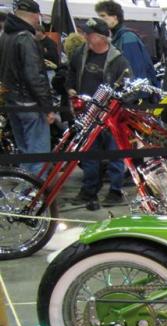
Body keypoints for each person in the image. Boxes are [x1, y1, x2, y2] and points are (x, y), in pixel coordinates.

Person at [66, 18, 131, 210]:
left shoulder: (119, 60)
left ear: (101, 37)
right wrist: (70, 88)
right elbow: (70, 73)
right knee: (88, 156)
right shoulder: (81, 54)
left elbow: (128, 87)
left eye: (89, 34)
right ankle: (89, 190)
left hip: (111, 117)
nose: (85, 36)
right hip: (87, 115)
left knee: (114, 155)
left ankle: (115, 191)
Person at [0, 0, 56, 176]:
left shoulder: (5, 36)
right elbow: (35, 76)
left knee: (25, 152)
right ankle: (36, 197)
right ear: (35, 15)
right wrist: (47, 107)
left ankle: (26, 193)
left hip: (12, 103)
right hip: (30, 104)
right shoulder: (25, 38)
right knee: (38, 155)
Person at [95, 0, 158, 86]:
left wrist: (131, 96)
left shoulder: (127, 37)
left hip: (134, 92)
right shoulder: (116, 37)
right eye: (99, 16)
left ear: (115, 17)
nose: (100, 19)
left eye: (103, 16)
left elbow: (135, 69)